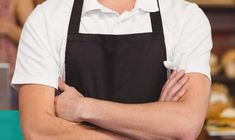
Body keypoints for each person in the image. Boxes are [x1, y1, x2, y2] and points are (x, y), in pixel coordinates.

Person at [12, 0, 212, 139]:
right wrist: (154, 131)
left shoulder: (186, 17)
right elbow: (38, 131)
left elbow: (186, 124)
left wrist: (82, 108)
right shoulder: (47, 18)